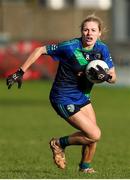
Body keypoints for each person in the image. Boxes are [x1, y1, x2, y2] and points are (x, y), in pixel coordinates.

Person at [6, 14, 116, 173]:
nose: (89, 33)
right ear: (81, 31)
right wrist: (20, 71)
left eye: (93, 30)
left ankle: (85, 167)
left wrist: (106, 77)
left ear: (100, 33)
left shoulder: (102, 49)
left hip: (82, 96)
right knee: (94, 134)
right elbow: (39, 50)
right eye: (86, 30)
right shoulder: (70, 46)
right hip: (62, 98)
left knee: (91, 134)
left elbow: (113, 77)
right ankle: (58, 143)